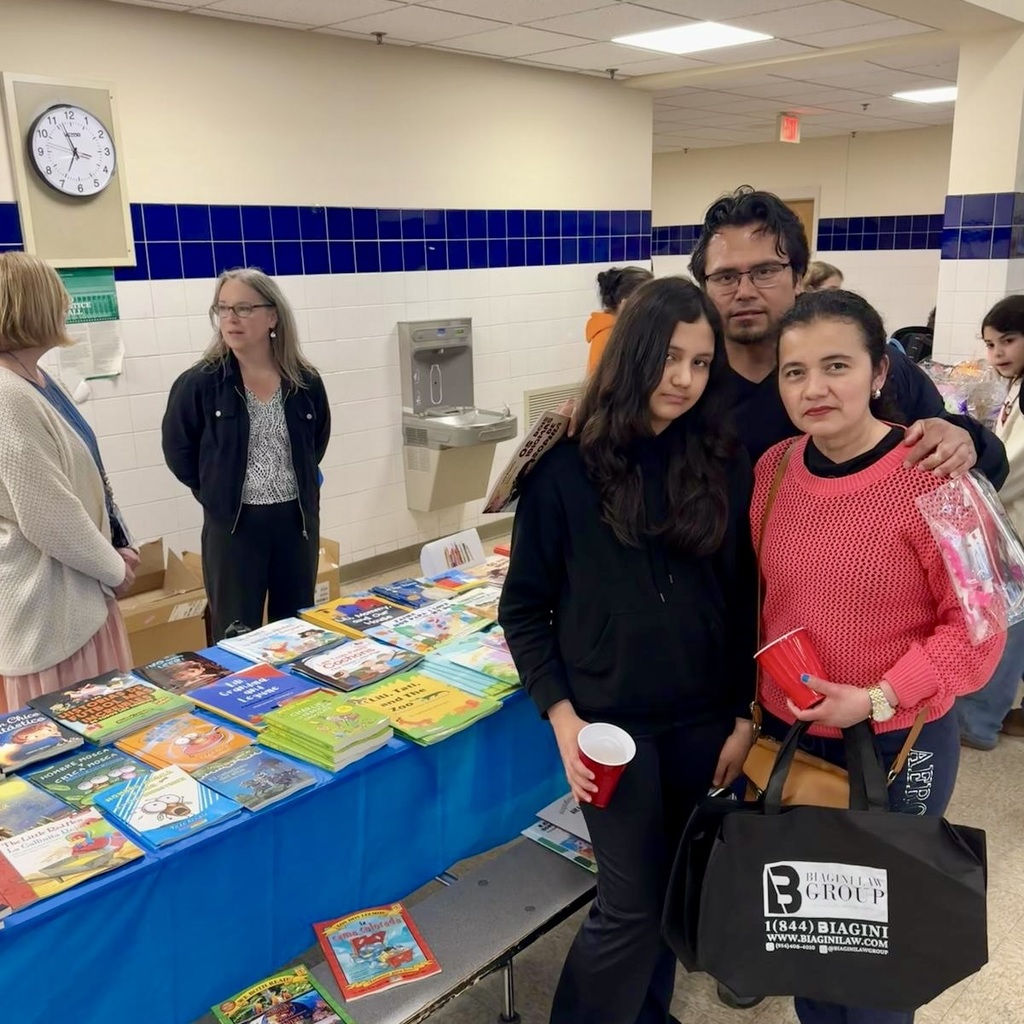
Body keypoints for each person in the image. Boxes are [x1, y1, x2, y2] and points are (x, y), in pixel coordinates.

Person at [500, 277, 757, 1024]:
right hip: (612, 731)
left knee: (678, 891)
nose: (683, 379)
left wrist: (746, 715)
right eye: (669, 357)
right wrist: (562, 717)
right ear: (633, 354)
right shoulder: (563, 468)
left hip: (706, 721)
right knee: (630, 906)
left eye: (702, 363)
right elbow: (523, 608)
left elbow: (745, 597)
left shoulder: (719, 457)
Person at [752, 289, 1004, 1024]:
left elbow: (979, 628)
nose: (814, 388)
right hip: (794, 745)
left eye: (837, 365)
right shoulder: (771, 472)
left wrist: (877, 698)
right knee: (807, 942)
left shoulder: (933, 477)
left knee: (875, 952)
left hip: (899, 743)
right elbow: (763, 600)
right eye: (794, 372)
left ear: (879, 373)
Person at [688, 186, 1006, 481]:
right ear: (704, 285)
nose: (745, 291)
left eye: (765, 271)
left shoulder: (870, 366)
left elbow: (984, 462)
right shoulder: (688, 380)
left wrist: (961, 441)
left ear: (798, 277)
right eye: (725, 276)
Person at [0, 252, 137, 712]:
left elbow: (88, 477)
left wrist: (120, 541)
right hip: (47, 610)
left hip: (81, 595)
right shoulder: (7, 396)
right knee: (74, 749)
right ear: (33, 309)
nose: (66, 307)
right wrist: (116, 570)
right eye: (59, 298)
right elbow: (49, 517)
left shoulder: (34, 377)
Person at [162, 268, 330, 641]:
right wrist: (216, 490)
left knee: (298, 628)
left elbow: (315, 443)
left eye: (243, 308)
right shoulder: (201, 383)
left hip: (295, 522)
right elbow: (178, 450)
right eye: (222, 309)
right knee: (237, 633)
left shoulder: (304, 381)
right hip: (234, 527)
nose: (230, 319)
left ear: (272, 316)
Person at [956, 294, 1024, 747]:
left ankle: (978, 724)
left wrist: (982, 494)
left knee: (1008, 624)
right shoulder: (1015, 385)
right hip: (1011, 516)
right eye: (990, 343)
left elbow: (1016, 463)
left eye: (1009, 340)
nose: (998, 352)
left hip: (1015, 520)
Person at [585, 265, 653, 375]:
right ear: (625, 303)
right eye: (648, 299)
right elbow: (599, 381)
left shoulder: (628, 328)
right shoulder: (608, 335)